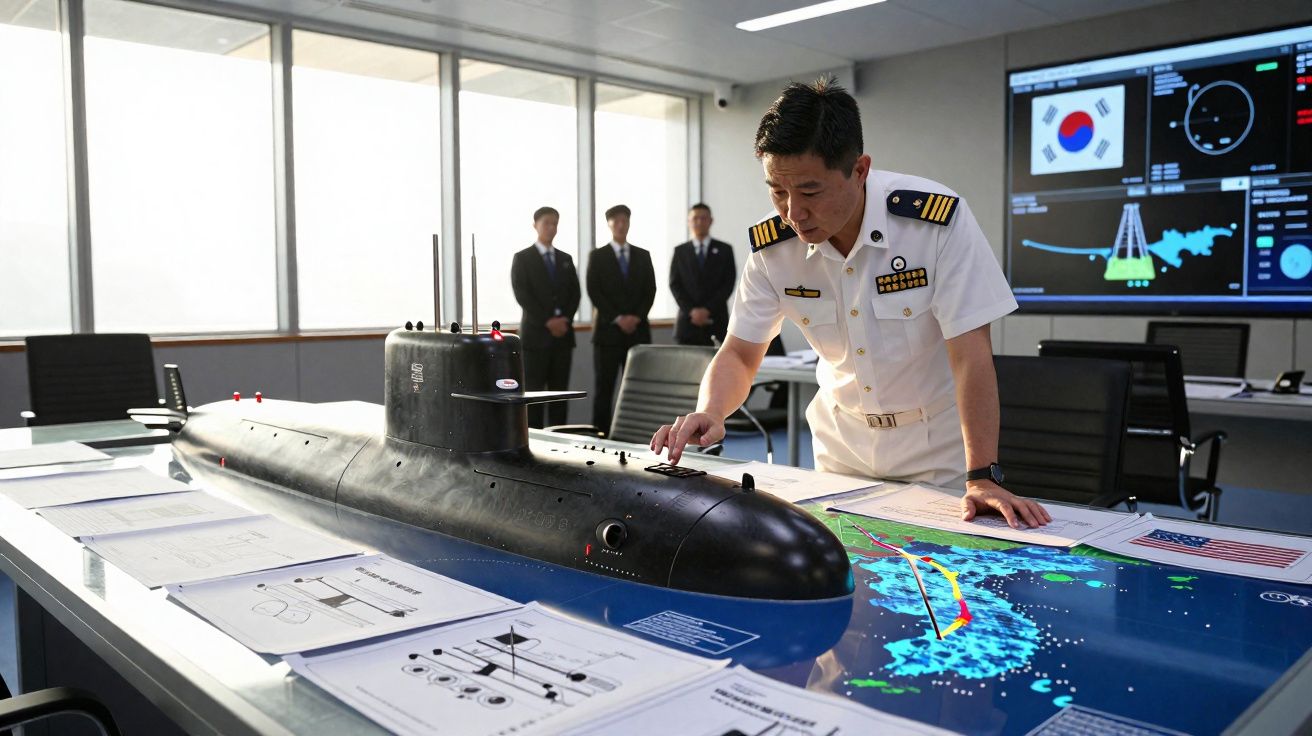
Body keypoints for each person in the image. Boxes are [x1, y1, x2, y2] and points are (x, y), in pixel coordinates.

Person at [650, 79, 1050, 529]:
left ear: (859, 170)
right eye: (777, 191)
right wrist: (712, 409)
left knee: (936, 585)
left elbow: (971, 357)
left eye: (810, 191)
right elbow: (742, 351)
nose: (792, 213)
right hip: (839, 450)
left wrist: (983, 475)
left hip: (935, 450)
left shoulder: (933, 223)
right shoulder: (772, 247)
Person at [586, 204, 656, 434]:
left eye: (624, 220)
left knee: (639, 389)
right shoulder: (597, 256)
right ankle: (601, 435)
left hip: (637, 332)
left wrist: (635, 317)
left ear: (629, 223)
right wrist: (617, 317)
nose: (620, 225)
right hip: (607, 333)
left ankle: (639, 434)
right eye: (616, 221)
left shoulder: (642, 255)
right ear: (609, 224)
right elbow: (594, 291)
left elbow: (650, 290)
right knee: (604, 389)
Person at [510, 206, 580, 428]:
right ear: (535, 225)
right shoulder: (522, 258)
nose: (551, 227)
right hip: (535, 337)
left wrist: (564, 320)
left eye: (555, 223)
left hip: (562, 337)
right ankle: (535, 439)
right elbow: (522, 294)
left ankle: (561, 437)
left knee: (561, 394)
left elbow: (574, 294)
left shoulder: (565, 259)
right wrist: (548, 321)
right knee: (534, 395)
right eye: (546, 223)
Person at [670, 203, 736, 346]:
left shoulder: (725, 250)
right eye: (695, 218)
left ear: (711, 221)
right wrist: (692, 311)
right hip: (687, 324)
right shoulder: (680, 251)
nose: (699, 222)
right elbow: (675, 284)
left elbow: (728, 283)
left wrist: (707, 310)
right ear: (689, 222)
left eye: (703, 218)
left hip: (716, 321)